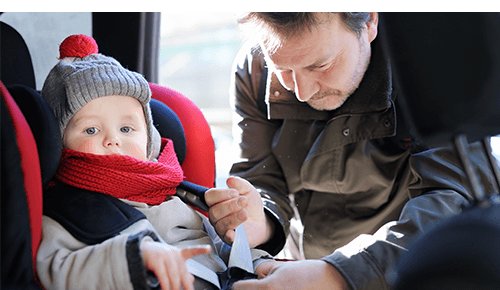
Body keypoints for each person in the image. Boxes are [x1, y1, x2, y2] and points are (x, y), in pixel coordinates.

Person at [205, 12, 498, 289]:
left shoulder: (431, 65)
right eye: (282, 69)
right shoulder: (255, 69)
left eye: (320, 65)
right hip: (303, 267)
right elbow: (262, 178)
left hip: (409, 270)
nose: (302, 91)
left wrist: (338, 274)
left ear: (369, 21)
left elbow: (454, 204)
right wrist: (261, 220)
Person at [36, 34, 275, 290]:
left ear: (150, 141)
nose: (113, 139)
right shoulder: (64, 209)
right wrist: (134, 259)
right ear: (59, 143)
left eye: (127, 129)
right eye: (91, 130)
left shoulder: (174, 196)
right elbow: (57, 268)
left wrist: (258, 264)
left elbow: (216, 249)